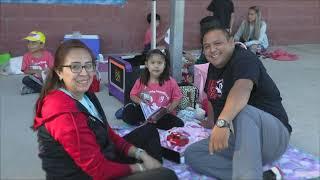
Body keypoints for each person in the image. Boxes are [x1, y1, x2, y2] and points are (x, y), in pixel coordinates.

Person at [32, 39, 178, 180]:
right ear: (59, 72)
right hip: (89, 174)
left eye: (88, 65)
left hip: (104, 154)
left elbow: (109, 134)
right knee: (167, 176)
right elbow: (99, 171)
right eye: (75, 67)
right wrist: (141, 168)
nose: (84, 73)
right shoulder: (63, 113)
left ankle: (153, 170)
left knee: (149, 130)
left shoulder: (86, 94)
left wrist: (141, 155)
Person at [184, 25, 292, 179]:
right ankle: (262, 176)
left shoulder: (244, 59)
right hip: (241, 140)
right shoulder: (213, 68)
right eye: (207, 46)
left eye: (217, 43)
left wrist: (222, 122)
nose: (212, 50)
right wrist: (211, 121)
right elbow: (212, 95)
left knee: (243, 110)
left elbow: (242, 89)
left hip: (272, 137)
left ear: (231, 42)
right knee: (193, 154)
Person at [122, 49, 184, 130]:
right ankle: (147, 122)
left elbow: (177, 98)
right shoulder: (141, 80)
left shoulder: (171, 81)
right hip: (145, 113)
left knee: (179, 123)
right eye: (153, 63)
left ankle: (149, 124)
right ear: (147, 64)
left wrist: (170, 108)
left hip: (162, 115)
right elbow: (132, 95)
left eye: (159, 63)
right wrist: (140, 101)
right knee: (128, 114)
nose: (156, 66)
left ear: (164, 65)